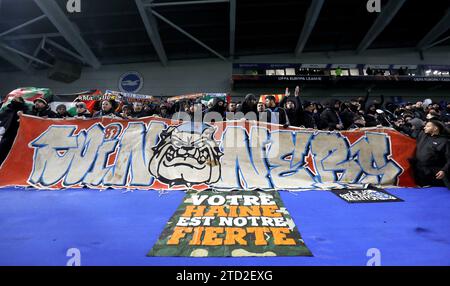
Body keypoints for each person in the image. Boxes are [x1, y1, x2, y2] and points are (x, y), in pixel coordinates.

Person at [411, 120, 450, 189]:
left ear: (435, 128)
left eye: (428, 126)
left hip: (433, 173)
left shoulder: (444, 141)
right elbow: (412, 133)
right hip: (419, 170)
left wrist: (444, 170)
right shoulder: (423, 134)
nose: (425, 128)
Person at [0, 97, 29, 165]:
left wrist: (23, 116)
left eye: (16, 100)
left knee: (17, 151)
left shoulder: (25, 110)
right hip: (7, 133)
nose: (14, 101)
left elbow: (30, 117)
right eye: (13, 100)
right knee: (3, 148)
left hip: (20, 134)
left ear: (21, 102)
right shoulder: (7, 110)